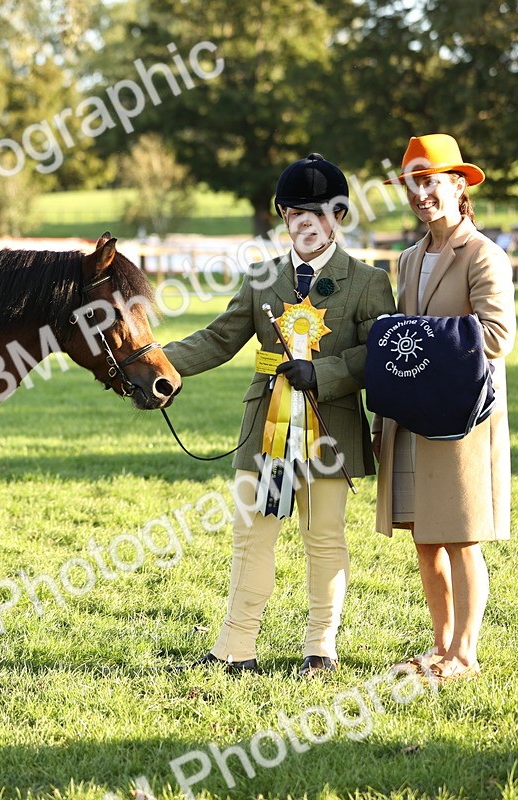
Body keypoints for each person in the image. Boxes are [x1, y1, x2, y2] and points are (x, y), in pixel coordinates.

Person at [164, 154, 395, 678]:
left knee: (325, 536)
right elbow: (219, 338)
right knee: (252, 533)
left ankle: (321, 647)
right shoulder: (262, 277)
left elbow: (379, 351)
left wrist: (327, 373)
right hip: (266, 425)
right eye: (293, 213)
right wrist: (156, 361)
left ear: (338, 216)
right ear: (283, 217)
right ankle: (235, 647)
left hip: (329, 425)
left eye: (316, 213)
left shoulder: (367, 281)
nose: (304, 223)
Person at [372, 134, 516, 682]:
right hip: (413, 415)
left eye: (430, 182)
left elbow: (498, 336)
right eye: (412, 183)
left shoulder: (484, 254)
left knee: (461, 535)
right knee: (425, 536)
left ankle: (465, 653)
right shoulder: (408, 259)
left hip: (463, 418)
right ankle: (439, 646)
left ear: (458, 186)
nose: (420, 194)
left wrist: (420, 340)